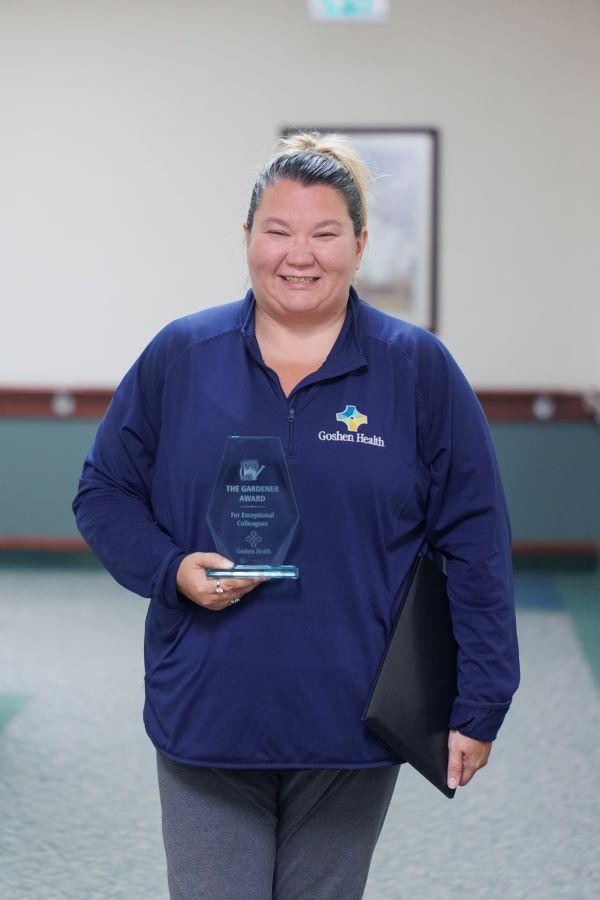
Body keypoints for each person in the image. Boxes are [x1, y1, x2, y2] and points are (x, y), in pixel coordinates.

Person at [73, 132, 520, 899]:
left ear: (361, 244)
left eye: (325, 233)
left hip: (352, 714)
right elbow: (103, 492)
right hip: (208, 708)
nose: (299, 255)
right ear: (247, 237)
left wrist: (482, 701)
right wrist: (171, 569)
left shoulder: (417, 370)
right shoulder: (181, 356)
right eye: (278, 231)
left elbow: (477, 541)